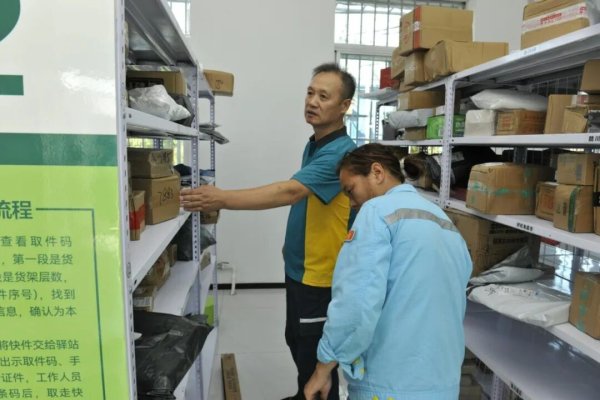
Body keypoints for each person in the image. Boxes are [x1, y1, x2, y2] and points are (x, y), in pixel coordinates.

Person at [180, 63, 358, 400]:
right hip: (299, 268)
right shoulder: (316, 144)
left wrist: (221, 198)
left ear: (344, 106)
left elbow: (288, 192)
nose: (312, 101)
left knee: (314, 355)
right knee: (297, 341)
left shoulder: (341, 153)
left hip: (319, 275)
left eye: (324, 96)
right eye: (310, 92)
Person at [304, 144, 472, 400]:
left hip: (390, 383)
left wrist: (325, 364)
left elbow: (356, 302)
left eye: (350, 190)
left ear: (377, 172)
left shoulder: (376, 212)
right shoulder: (445, 223)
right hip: (443, 383)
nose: (351, 203)